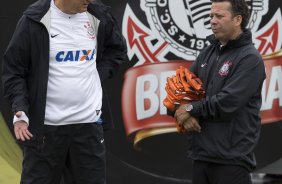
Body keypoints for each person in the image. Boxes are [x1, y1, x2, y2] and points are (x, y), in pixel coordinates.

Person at [2, 0, 127, 183]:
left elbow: (117, 50)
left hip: (88, 127)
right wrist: (19, 107)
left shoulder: (98, 14)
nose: (89, 0)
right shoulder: (35, 19)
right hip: (45, 131)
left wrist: (96, 76)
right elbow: (13, 70)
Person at [173, 0, 266, 184]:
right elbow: (179, 88)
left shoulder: (250, 58)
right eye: (211, 16)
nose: (212, 21)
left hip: (231, 161)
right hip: (201, 156)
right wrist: (183, 109)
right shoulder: (208, 53)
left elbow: (227, 103)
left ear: (237, 19)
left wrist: (191, 108)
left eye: (219, 16)